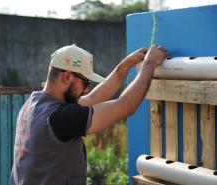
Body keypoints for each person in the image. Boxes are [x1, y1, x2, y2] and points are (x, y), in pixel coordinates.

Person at [10, 44, 168, 185]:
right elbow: (126, 106)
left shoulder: (33, 104)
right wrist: (150, 64)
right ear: (66, 77)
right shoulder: (62, 117)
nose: (86, 90)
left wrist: (127, 64)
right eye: (85, 83)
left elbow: (93, 98)